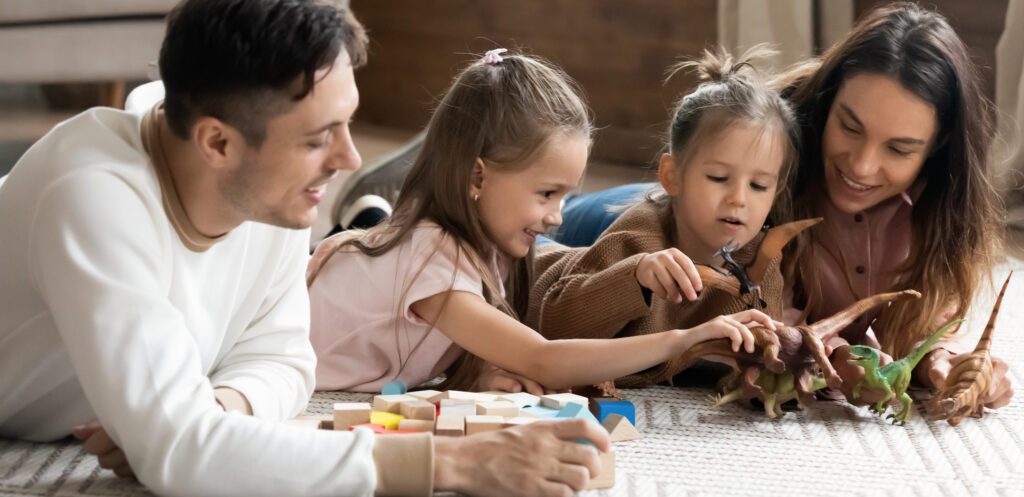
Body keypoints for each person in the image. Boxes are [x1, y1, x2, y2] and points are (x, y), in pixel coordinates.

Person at [0, 2, 614, 496]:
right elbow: (179, 455)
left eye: (348, 124)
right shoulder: (93, 197)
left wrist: (223, 406)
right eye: (320, 138)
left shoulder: (271, 187)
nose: (348, 158)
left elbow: (286, 361)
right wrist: (449, 461)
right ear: (217, 143)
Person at [538, 2, 1015, 410]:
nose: (864, 166)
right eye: (849, 127)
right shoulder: (773, 151)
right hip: (659, 219)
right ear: (827, 104)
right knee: (534, 223)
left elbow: (923, 324)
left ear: (939, 147)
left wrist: (943, 360)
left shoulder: (941, 211)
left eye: (899, 149)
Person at [306, 49, 777, 396]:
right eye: (547, 194)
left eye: (565, 195)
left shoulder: (491, 250)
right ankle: (373, 214)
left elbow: (555, 275)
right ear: (477, 175)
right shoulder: (434, 256)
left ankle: (374, 215)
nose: (557, 215)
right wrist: (686, 337)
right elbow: (540, 357)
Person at [525, 47, 800, 387]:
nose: (739, 199)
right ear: (672, 176)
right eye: (718, 178)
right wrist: (635, 277)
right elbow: (555, 330)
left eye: (759, 185)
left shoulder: (762, 259)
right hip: (524, 271)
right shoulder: (641, 233)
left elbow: (756, 361)